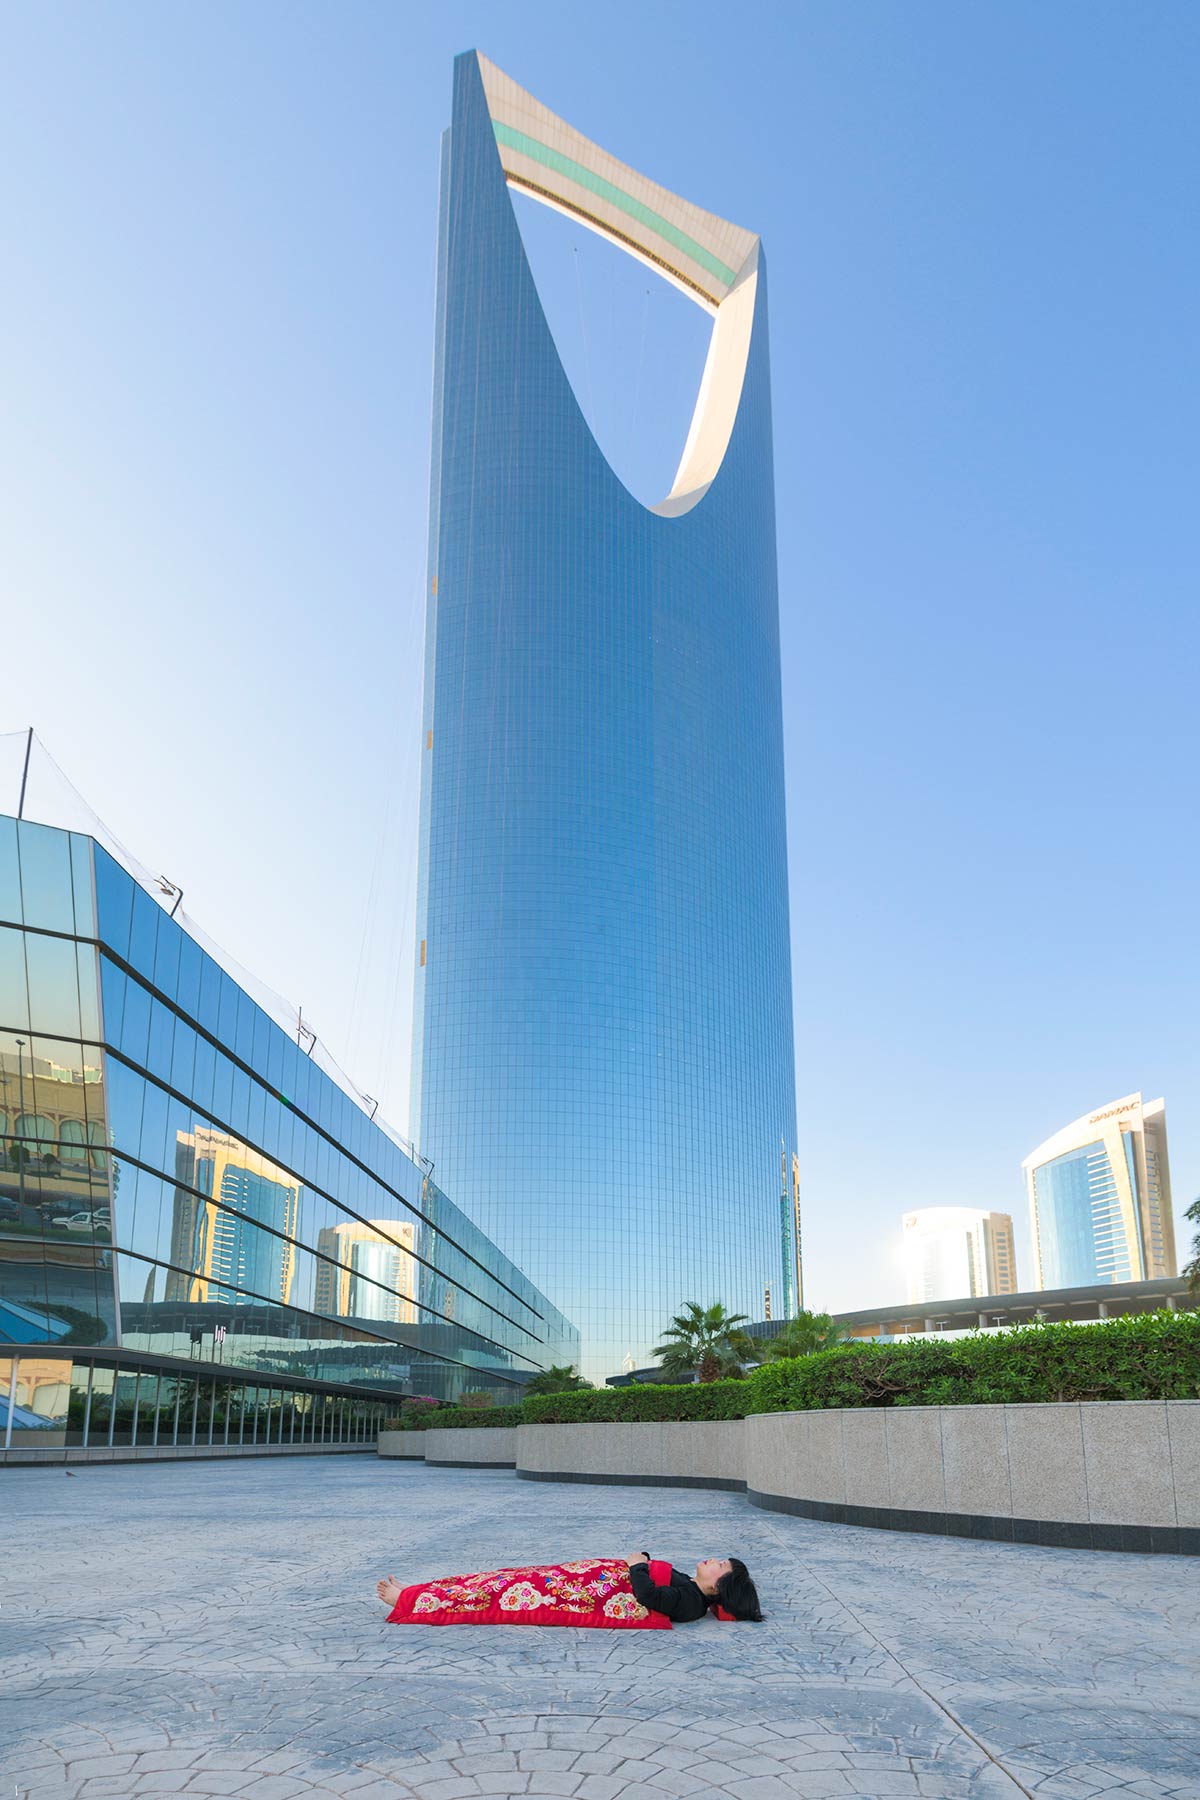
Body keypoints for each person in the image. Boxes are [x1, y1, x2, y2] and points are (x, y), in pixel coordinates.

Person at [374, 1551, 762, 1628]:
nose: (713, 1560)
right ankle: (421, 1591)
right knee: (497, 1578)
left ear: (719, 1586)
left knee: (497, 1592)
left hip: (575, 1593)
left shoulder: (691, 1603)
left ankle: (410, 1601)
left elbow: (646, 1597)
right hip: (574, 1577)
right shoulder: (691, 1586)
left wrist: (636, 1564)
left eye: (720, 1566)